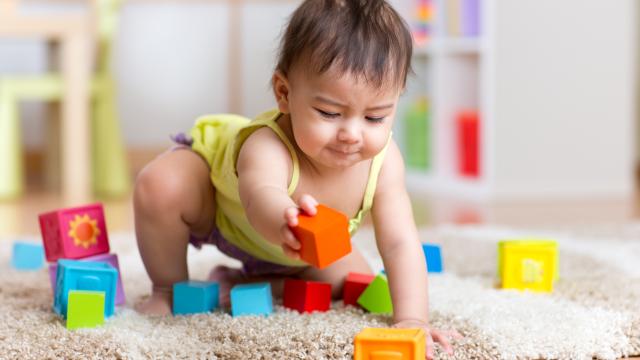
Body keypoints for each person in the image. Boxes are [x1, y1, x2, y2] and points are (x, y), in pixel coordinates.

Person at [133, 0, 458, 357]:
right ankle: (167, 289)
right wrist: (284, 220)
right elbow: (261, 195)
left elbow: (399, 242)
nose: (351, 133)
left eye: (375, 117)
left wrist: (412, 319)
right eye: (329, 113)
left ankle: (243, 282)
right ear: (284, 94)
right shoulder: (268, 144)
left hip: (297, 253)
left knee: (352, 284)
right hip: (223, 211)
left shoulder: (384, 163)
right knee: (161, 184)